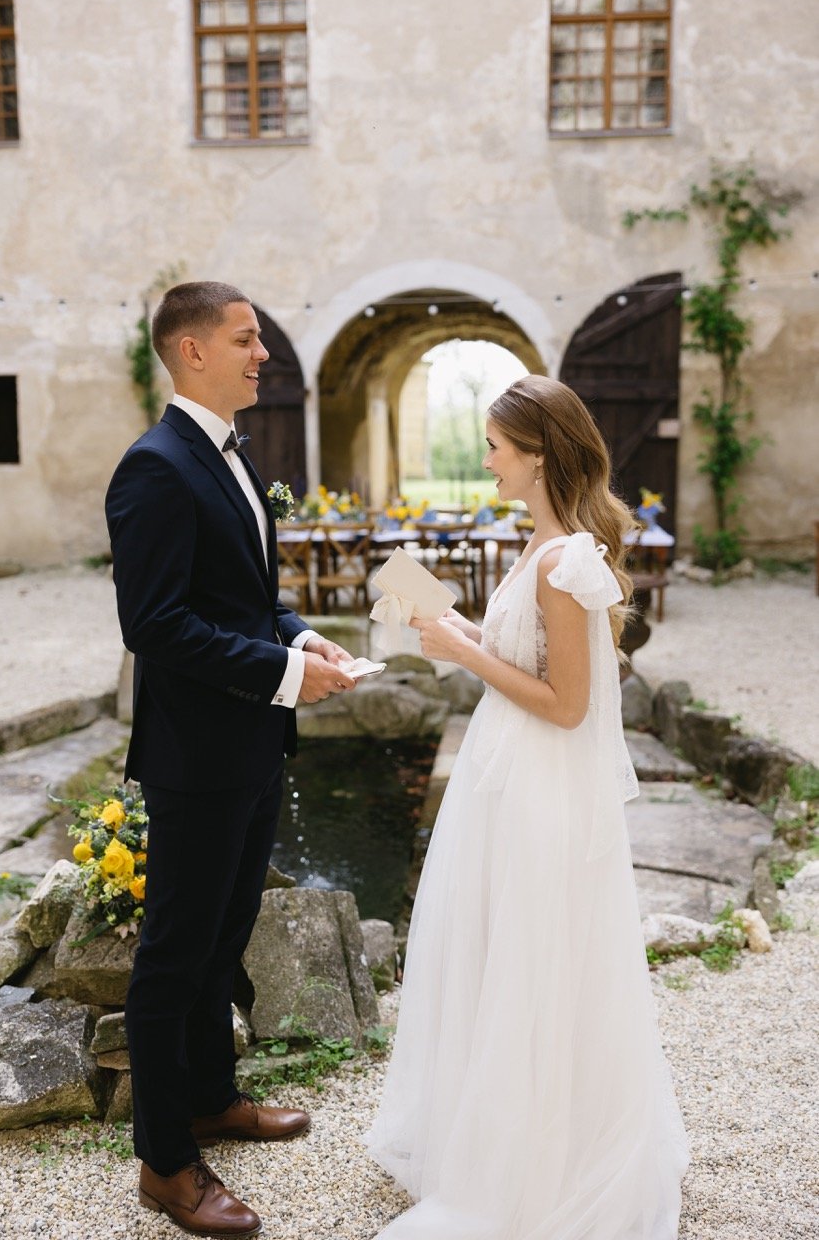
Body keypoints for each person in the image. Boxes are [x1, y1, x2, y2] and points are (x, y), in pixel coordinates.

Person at [365, 375, 689, 1239]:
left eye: (497, 448)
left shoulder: (562, 558)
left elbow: (566, 704)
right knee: (500, 957)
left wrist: (462, 657)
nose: (487, 462)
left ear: (538, 453)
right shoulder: (540, 544)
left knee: (535, 965)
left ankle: (543, 1165)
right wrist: (454, 628)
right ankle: (499, 1137)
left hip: (538, 785)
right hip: (508, 777)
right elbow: (529, 655)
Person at [105, 281, 357, 1239]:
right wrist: (282, 673)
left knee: (222, 945)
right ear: (192, 351)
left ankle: (211, 1097)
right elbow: (156, 624)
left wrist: (304, 639)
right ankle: (166, 1162)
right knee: (173, 960)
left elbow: (245, 598)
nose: (264, 354)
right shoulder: (155, 468)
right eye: (247, 339)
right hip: (196, 753)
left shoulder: (233, 457)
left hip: (250, 741)